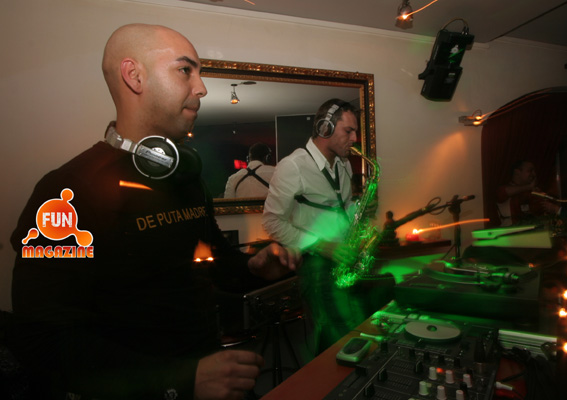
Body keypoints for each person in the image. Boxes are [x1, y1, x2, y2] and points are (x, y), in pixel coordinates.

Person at [9, 24, 300, 400]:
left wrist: (253, 268)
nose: (201, 88)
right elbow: (42, 339)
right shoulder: (67, 190)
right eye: (185, 70)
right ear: (134, 76)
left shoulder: (186, 178)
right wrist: (180, 380)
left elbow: (212, 261)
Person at [262, 98, 376, 355]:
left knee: (359, 332)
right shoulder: (293, 166)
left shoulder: (343, 164)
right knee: (337, 341)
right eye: (349, 131)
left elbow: (341, 207)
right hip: (316, 266)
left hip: (343, 260)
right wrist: (324, 247)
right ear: (325, 128)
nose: (355, 138)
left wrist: (359, 209)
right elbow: (271, 222)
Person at [496, 160, 544, 226]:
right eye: (530, 171)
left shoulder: (531, 192)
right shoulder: (504, 189)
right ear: (517, 172)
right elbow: (504, 192)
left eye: (534, 171)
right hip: (511, 230)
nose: (534, 174)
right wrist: (529, 187)